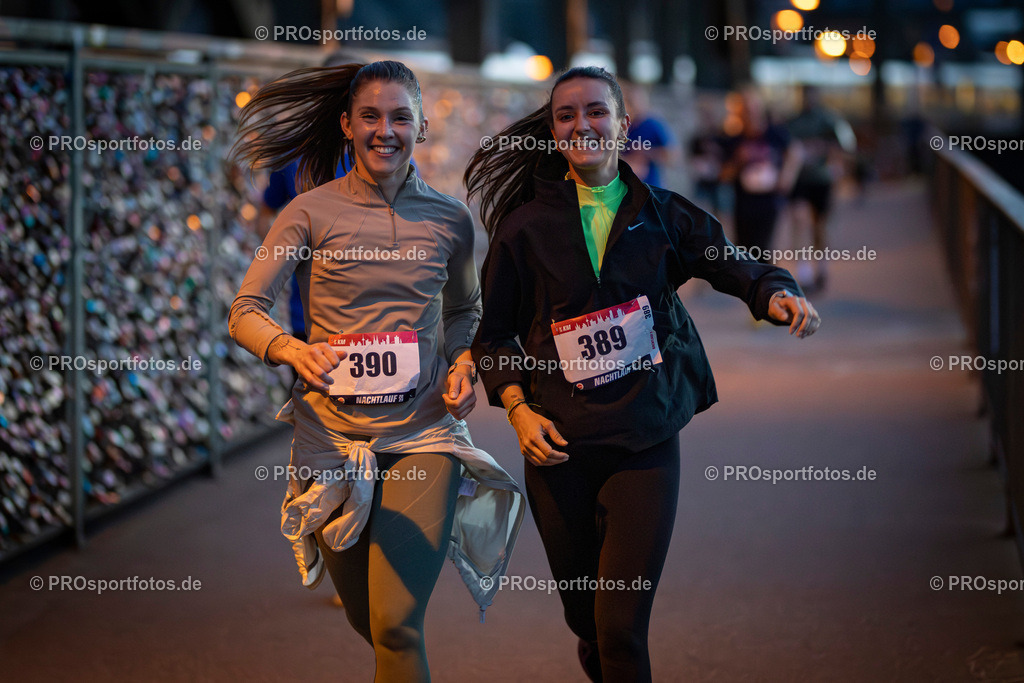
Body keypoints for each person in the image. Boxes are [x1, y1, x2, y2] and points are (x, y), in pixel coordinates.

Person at [465, 66, 820, 682]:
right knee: (589, 624)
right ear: (553, 134)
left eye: (598, 111)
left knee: (622, 630)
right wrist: (518, 411)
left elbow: (734, 264)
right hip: (557, 449)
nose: (584, 124)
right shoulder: (524, 230)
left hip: (644, 440)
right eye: (567, 115)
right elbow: (493, 337)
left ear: (624, 125)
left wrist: (776, 291)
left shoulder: (663, 215)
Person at [228, 60, 524, 683]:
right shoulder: (308, 211)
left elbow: (466, 310)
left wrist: (464, 362)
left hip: (423, 435)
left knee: (395, 624)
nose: (384, 130)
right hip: (329, 444)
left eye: (400, 118)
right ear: (346, 125)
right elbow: (245, 310)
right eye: (370, 116)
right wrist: (290, 348)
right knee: (369, 621)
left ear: (419, 128)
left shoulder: (448, 219)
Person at [720, 87, 802, 263]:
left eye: (753, 108)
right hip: (744, 203)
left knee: (766, 251)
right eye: (745, 110)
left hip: (770, 201)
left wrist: (786, 177)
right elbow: (724, 174)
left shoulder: (775, 133)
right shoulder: (734, 140)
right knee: (744, 253)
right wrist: (738, 161)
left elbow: (795, 153)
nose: (750, 114)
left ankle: (768, 288)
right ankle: (751, 288)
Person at [787, 85, 856, 293]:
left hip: (822, 179)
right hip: (800, 180)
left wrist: (833, 160)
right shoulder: (793, 122)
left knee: (821, 227)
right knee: (799, 220)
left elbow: (847, 146)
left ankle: (822, 268)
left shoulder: (829, 120)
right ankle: (804, 272)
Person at [620, 83, 679, 188]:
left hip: (651, 188)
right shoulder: (623, 126)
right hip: (627, 187)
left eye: (634, 101)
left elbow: (673, 155)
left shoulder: (654, 124)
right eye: (628, 101)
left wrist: (647, 153)